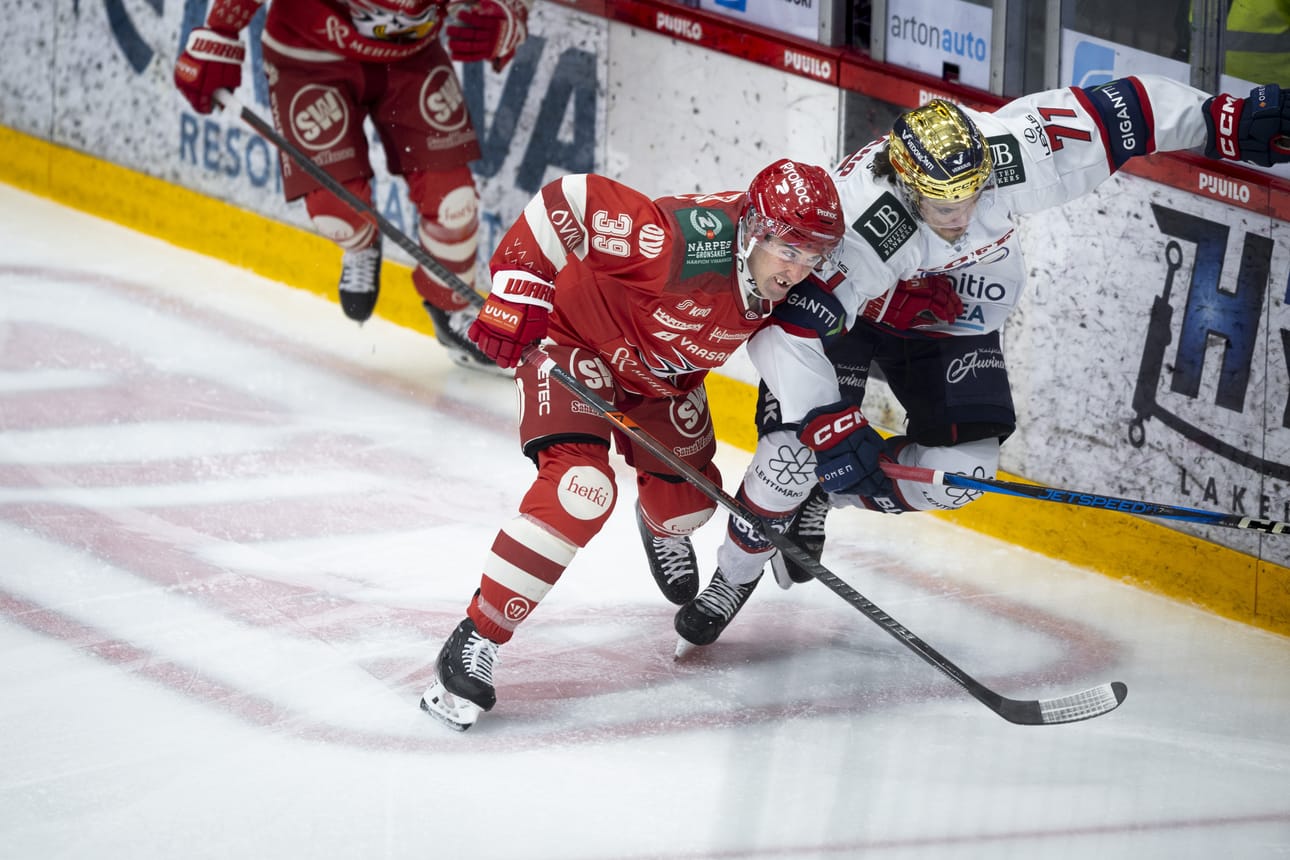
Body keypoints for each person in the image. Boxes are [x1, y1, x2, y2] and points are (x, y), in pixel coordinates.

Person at [674, 75, 1290, 650]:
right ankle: (733, 577)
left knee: (963, 475)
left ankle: (827, 498)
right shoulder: (864, 222)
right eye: (944, 207)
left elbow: (1121, 113)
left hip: (949, 312)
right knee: (791, 455)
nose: (963, 216)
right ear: (908, 188)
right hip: (851, 316)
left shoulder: (1014, 150)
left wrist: (1220, 118)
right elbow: (787, 333)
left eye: (971, 196)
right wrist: (829, 428)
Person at [418, 159, 846, 729]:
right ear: (753, 230)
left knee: (688, 509)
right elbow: (568, 201)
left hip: (665, 382)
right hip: (576, 346)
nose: (798, 269)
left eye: (813, 254)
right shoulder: (682, 246)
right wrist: (518, 290)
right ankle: (476, 639)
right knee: (581, 490)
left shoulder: (792, 282)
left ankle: (659, 522)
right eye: (789, 250)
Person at [172, 0, 531, 372]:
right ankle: (361, 243)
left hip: (412, 58)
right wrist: (220, 30)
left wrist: (509, 16)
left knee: (452, 201)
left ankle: (453, 308)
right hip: (308, 55)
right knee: (338, 213)